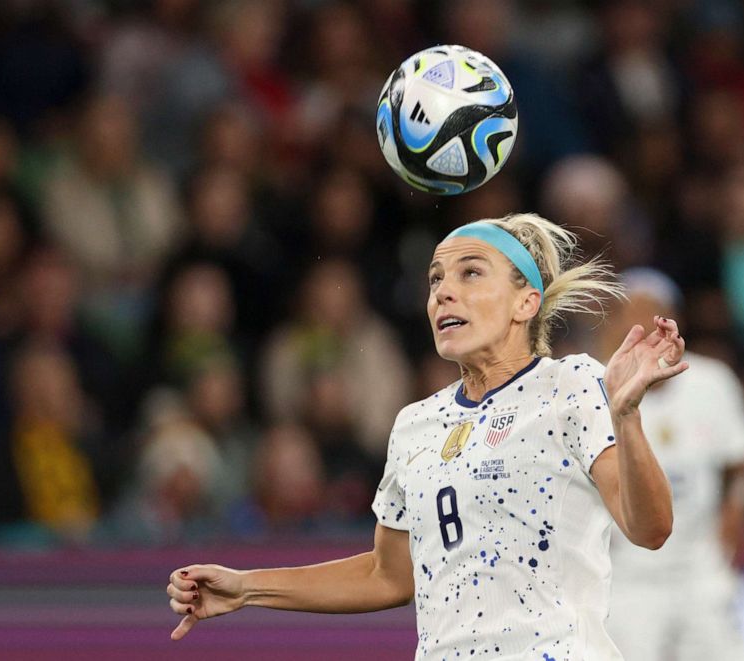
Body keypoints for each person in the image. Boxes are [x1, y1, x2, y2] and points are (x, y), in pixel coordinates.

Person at [166, 213, 688, 659]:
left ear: (525, 303)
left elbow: (650, 528)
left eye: (470, 273)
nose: (443, 291)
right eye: (435, 279)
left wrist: (626, 416)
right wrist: (245, 587)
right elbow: (386, 575)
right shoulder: (416, 424)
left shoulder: (570, 386)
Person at [601, 268, 744, 661]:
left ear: (675, 320)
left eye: (653, 313)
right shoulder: (594, 386)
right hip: (629, 576)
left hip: (699, 567)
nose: (641, 325)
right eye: (629, 314)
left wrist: (729, 529)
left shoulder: (713, 381)